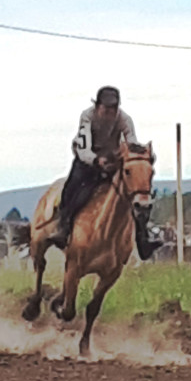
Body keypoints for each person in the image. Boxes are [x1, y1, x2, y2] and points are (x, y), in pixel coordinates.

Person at [47, 86, 162, 260]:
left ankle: (143, 239)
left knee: (133, 194)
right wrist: (96, 161)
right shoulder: (87, 116)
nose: (111, 113)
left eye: (114, 108)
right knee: (72, 188)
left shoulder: (125, 119)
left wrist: (138, 155)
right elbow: (84, 148)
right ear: (97, 106)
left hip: (112, 161)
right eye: (107, 109)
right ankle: (63, 227)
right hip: (87, 161)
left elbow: (131, 142)